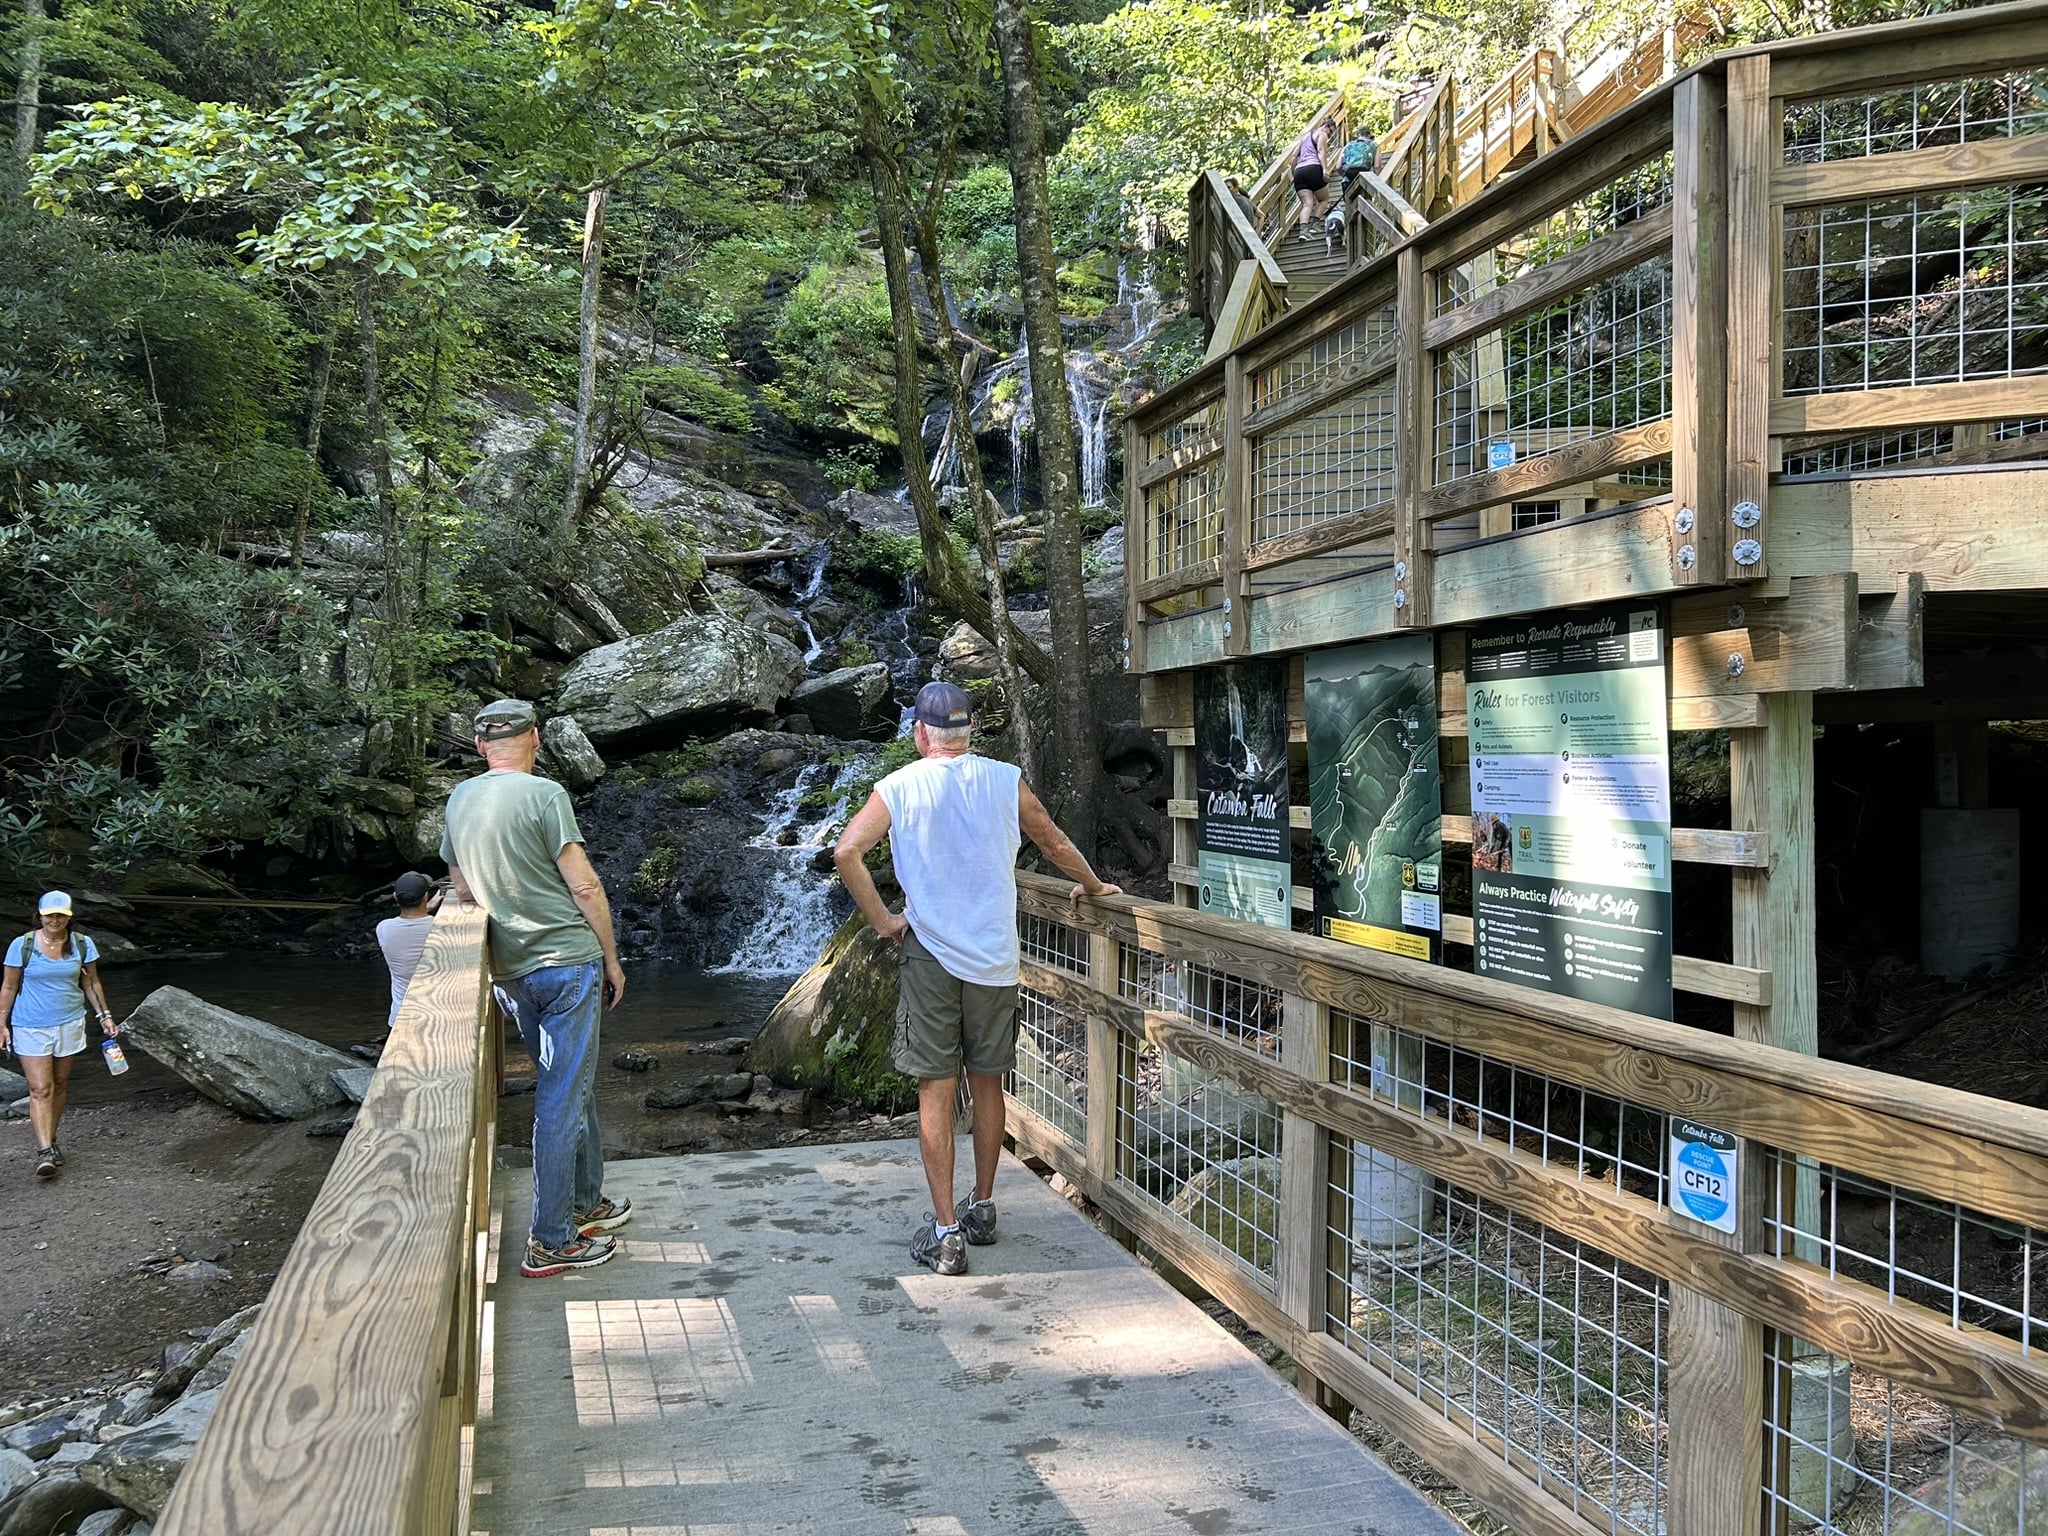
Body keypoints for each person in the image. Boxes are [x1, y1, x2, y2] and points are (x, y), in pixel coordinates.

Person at [834, 681, 1121, 1277]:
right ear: (970, 733)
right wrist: (1094, 887)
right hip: (995, 959)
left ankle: (944, 1235)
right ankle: (983, 1208)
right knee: (988, 1085)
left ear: (920, 733)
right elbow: (1052, 837)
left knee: (936, 1092)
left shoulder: (900, 786)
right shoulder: (1003, 778)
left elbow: (846, 852)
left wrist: (884, 920)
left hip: (932, 957)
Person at [441, 699, 632, 1278]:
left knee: (568, 1084)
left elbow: (461, 887)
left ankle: (584, 1201)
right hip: (567, 962)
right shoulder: (545, 795)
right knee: (560, 1099)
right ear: (537, 740)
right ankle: (550, 1240)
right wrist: (612, 959)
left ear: (480, 746)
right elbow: (585, 887)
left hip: (510, 969)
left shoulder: (458, 800)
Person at [0, 892, 119, 1179]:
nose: (55, 920)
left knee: (60, 1084)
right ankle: (44, 1152)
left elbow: (91, 983)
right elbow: (8, 987)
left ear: (69, 916)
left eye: (61, 915)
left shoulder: (81, 944)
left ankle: (50, 1140)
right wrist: (1, 1024)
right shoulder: (23, 945)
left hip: (70, 1022)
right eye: (49, 915)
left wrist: (105, 1016)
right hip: (31, 1025)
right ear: (39, 915)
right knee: (41, 1087)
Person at [376, 871, 442, 1032]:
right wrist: (428, 910)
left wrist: (425, 909)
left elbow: (408, 928)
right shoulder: (440, 927)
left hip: (400, 1017)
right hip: (436, 1014)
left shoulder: (383, 928)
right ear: (426, 897)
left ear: (395, 897)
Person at [1293, 123, 1329, 241]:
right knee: (1324, 199)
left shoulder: (1305, 137)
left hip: (1299, 171)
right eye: (1331, 131)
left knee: (1307, 204)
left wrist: (1294, 174)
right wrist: (1325, 169)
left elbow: (1294, 156)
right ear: (1326, 126)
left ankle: (1303, 231)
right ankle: (1314, 224)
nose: (1330, 135)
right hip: (1313, 168)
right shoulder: (1322, 134)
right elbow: (1320, 150)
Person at [1337, 127, 1379, 193]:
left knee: (1350, 202)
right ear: (1369, 135)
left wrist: (1345, 174)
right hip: (1366, 179)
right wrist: (1377, 182)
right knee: (1365, 202)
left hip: (1348, 180)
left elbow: (1338, 167)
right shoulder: (1374, 145)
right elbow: (1377, 166)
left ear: (1358, 135)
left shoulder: (1347, 146)